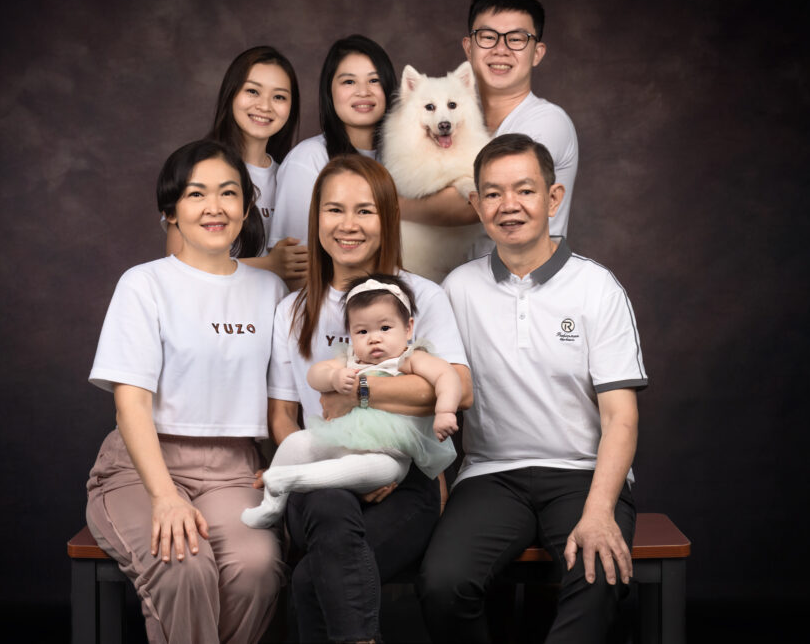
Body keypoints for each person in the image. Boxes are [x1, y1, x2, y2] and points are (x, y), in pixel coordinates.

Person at [417, 134, 647, 643]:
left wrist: (599, 511)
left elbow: (621, 418)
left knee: (596, 572)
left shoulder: (597, 288)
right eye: (493, 193)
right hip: (491, 477)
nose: (509, 206)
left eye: (524, 190)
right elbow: (426, 383)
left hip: (582, 475)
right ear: (477, 204)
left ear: (553, 197)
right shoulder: (457, 289)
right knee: (442, 584)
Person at [87, 139, 288, 644]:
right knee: (184, 563)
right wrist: (164, 496)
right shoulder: (144, 284)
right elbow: (129, 401)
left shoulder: (271, 292)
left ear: (246, 207)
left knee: (257, 567)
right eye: (197, 194)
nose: (214, 207)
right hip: (142, 467)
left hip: (234, 471)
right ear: (171, 209)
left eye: (228, 193)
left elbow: (281, 399)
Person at [266, 154, 472, 642]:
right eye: (334, 210)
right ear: (317, 218)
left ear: (388, 218)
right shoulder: (290, 312)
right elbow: (282, 417)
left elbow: (456, 389)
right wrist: (334, 462)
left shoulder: (422, 297)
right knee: (329, 505)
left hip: (405, 482)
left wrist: (358, 390)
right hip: (316, 478)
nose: (348, 225)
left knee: (310, 579)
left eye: (365, 210)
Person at [241, 273, 459, 529]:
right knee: (298, 443)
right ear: (351, 334)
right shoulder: (350, 360)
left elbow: (448, 376)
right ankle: (272, 505)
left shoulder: (410, 358)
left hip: (390, 451)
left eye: (385, 328)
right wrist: (333, 377)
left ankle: (289, 478)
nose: (374, 338)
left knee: (381, 470)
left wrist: (445, 411)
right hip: (339, 439)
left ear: (408, 328)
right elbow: (315, 375)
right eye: (362, 331)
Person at [399, 0, 579, 257]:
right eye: (488, 37)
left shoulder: (547, 122)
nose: (501, 50)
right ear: (469, 48)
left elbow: (474, 204)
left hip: (526, 287)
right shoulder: (461, 122)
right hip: (462, 287)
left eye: (516, 39)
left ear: (538, 53)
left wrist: (383, 206)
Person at [165, 46, 308, 285]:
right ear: (231, 93)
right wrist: (269, 265)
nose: (265, 106)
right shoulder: (197, 168)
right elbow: (177, 270)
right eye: (253, 91)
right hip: (216, 317)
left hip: (277, 317)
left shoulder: (292, 175)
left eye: (279, 97)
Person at [266, 34, 398, 249]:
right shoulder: (309, 159)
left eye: (374, 80)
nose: (363, 92)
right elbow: (295, 260)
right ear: (330, 91)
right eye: (349, 81)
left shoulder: (403, 160)